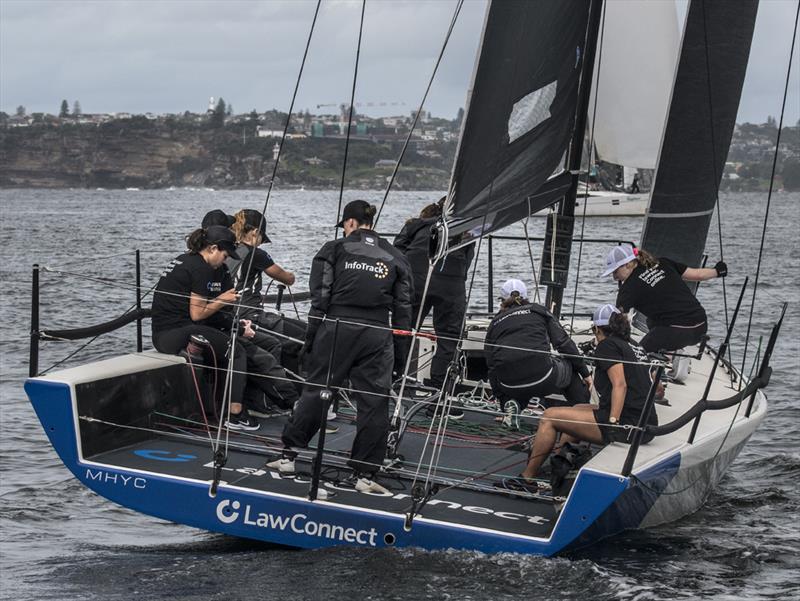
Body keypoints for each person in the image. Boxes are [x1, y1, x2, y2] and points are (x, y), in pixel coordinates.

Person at [267, 200, 413, 494]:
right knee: (375, 402)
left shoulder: (333, 249)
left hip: (338, 326)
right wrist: (399, 353)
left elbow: (320, 295)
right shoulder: (397, 255)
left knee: (319, 390)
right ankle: (365, 474)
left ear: (349, 223)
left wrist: (311, 338)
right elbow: (404, 308)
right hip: (378, 331)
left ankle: (289, 455)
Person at [518, 305, 658, 485]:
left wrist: (613, 422)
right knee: (576, 409)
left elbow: (620, 385)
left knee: (549, 416)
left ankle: (527, 478)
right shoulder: (633, 345)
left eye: (594, 330)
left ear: (597, 329)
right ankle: (561, 463)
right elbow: (657, 386)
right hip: (645, 423)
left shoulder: (607, 345)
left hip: (626, 426)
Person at [150, 225, 260, 431]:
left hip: (162, 332)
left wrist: (233, 323)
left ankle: (216, 408)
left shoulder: (185, 259)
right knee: (236, 350)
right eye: (225, 255)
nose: (225, 261)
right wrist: (222, 299)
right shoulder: (201, 268)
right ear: (212, 249)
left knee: (222, 344)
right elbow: (197, 314)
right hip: (174, 334)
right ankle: (235, 415)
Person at [485, 279, 591, 429]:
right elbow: (563, 344)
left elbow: (491, 366)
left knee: (516, 368)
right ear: (525, 297)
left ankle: (511, 407)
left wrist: (502, 399)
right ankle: (584, 416)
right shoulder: (538, 310)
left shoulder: (494, 323)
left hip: (509, 385)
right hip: (542, 377)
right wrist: (585, 372)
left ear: (502, 301)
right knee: (569, 369)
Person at [393, 197, 474, 391]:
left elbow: (397, 251)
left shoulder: (415, 225)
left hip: (416, 279)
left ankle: (393, 378)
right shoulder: (466, 230)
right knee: (448, 337)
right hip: (451, 283)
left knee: (403, 330)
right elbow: (467, 261)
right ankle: (438, 391)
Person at [602, 244, 727, 353]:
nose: (614, 277)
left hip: (677, 333)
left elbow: (618, 323)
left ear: (628, 264)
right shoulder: (662, 262)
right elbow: (697, 274)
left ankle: (661, 361)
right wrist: (717, 271)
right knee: (651, 321)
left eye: (615, 272)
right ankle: (669, 353)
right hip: (701, 327)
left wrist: (604, 341)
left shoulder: (628, 288)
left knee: (639, 354)